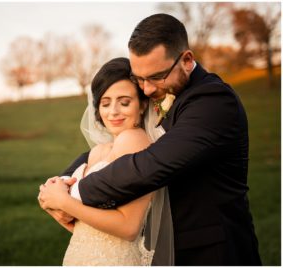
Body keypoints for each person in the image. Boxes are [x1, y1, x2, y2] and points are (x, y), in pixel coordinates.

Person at [39, 13, 262, 265]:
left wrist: (72, 195)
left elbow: (150, 164)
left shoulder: (212, 102)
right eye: (139, 78)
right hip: (163, 249)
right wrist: (62, 182)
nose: (146, 89)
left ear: (187, 60)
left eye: (156, 77)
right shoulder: (161, 94)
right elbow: (108, 152)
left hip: (212, 252)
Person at [39, 57, 174, 265]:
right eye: (105, 103)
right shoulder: (97, 152)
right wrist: (53, 202)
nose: (113, 111)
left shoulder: (135, 140)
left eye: (124, 102)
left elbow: (129, 228)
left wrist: (63, 201)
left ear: (142, 105)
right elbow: (82, 226)